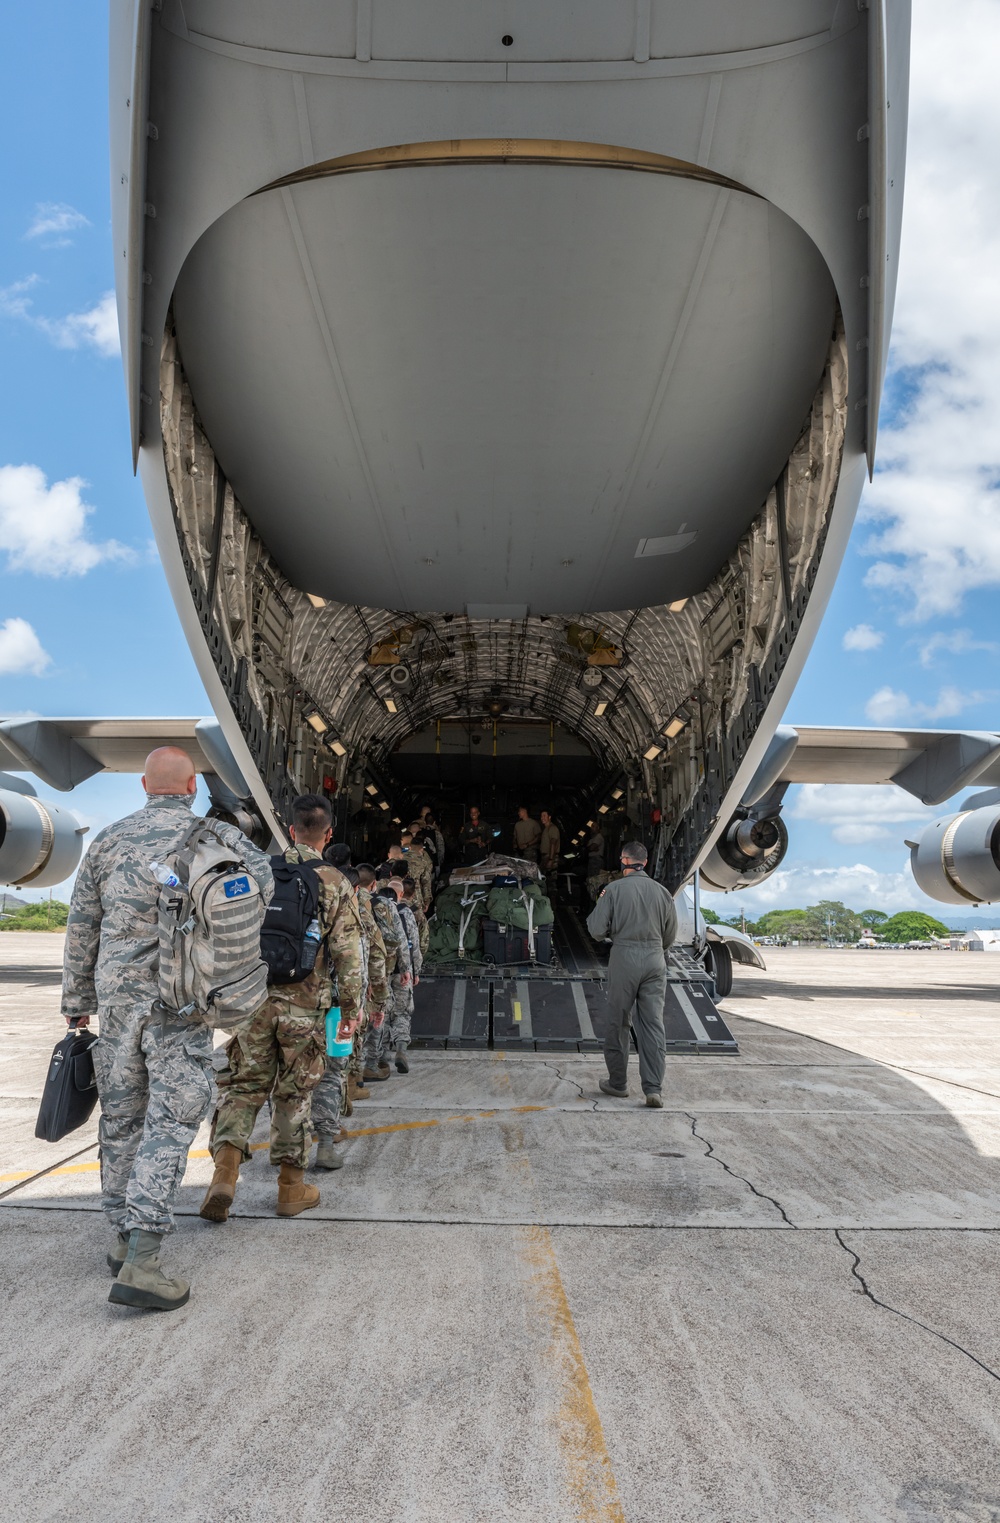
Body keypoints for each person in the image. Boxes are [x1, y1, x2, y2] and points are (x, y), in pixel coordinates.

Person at [61, 746, 273, 1312]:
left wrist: (76, 1000)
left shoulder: (107, 840)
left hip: (118, 1005)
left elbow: (83, 922)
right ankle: (145, 1258)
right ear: (191, 788)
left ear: (143, 785)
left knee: (123, 1116)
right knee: (171, 1120)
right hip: (181, 1003)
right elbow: (261, 891)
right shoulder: (218, 837)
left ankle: (123, 1236)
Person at [200, 794, 364, 1220]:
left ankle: (224, 1176)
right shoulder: (334, 881)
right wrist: (351, 1011)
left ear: (290, 830)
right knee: (294, 1093)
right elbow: (348, 954)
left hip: (252, 1002)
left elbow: (222, 935)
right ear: (328, 835)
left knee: (242, 1087)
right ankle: (291, 1189)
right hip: (305, 1008)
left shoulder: (253, 872)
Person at [585, 841, 677, 1109]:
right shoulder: (663, 893)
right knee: (652, 1025)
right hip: (654, 959)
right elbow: (669, 936)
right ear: (645, 863)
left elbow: (596, 930)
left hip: (624, 957)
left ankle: (618, 1084)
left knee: (619, 1021)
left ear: (623, 861)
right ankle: (653, 1089)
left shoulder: (613, 890)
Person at [310, 864, 389, 1149]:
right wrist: (358, 1008)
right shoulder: (351, 914)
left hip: (296, 1001)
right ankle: (327, 1139)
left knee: (297, 1071)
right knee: (333, 1069)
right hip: (334, 1005)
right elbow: (362, 962)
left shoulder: (301, 897)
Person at [362, 871, 409, 1082]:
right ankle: (373, 1063)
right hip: (379, 970)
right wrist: (406, 967)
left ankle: (353, 1071)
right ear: (373, 884)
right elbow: (400, 938)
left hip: (349, 972)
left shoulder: (341, 899)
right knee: (379, 1015)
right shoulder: (385, 905)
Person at [377, 879, 422, 1073]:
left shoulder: (375, 910)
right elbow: (413, 944)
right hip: (402, 971)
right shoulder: (406, 913)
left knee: (382, 1012)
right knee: (402, 1011)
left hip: (381, 972)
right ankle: (401, 1048)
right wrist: (414, 970)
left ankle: (381, 1055)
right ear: (400, 895)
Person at [401, 828, 434, 911]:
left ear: (410, 847)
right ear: (421, 849)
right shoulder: (424, 861)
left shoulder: (401, 858)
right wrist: (427, 901)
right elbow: (426, 882)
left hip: (400, 895)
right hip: (416, 897)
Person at [401, 874, 430, 957]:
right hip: (411, 953)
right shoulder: (417, 912)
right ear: (413, 894)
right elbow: (424, 937)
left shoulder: (390, 908)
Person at [539, 810, 560, 881]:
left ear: (549, 817)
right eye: (541, 816)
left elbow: (553, 843)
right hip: (545, 857)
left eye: (544, 816)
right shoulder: (546, 829)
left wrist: (551, 859)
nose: (542, 818)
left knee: (551, 881)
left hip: (550, 857)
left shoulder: (552, 828)